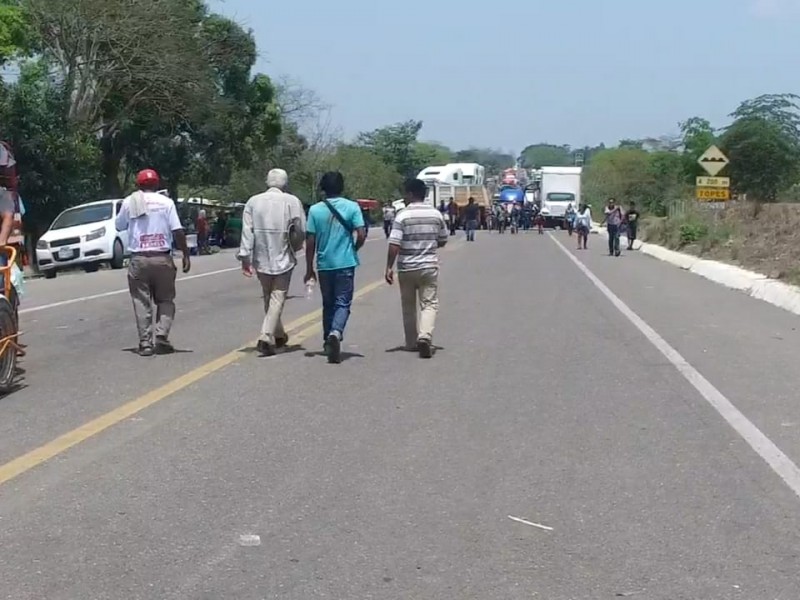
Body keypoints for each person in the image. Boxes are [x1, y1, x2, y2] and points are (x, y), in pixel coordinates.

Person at [116, 168, 190, 356]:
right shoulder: (166, 202)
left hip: (139, 259)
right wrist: (186, 254)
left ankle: (145, 343)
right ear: (157, 184)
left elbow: (119, 225)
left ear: (138, 185)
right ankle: (162, 336)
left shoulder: (129, 202)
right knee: (165, 300)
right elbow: (177, 230)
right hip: (162, 258)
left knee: (141, 302)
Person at [238, 168, 306, 357]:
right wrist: (297, 247)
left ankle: (279, 335)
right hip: (284, 254)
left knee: (269, 296)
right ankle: (266, 335)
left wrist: (245, 256)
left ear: (267, 181)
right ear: (285, 182)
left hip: (261, 255)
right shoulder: (292, 201)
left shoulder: (253, 201)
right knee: (278, 296)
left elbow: (247, 231)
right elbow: (301, 229)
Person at [304, 172, 366, 364]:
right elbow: (361, 233)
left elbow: (310, 241)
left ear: (323, 188)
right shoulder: (352, 207)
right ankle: (336, 332)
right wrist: (353, 248)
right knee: (343, 302)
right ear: (342, 187)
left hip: (324, 265)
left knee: (328, 303)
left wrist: (309, 268)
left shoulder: (315, 210)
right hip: (345, 263)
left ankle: (327, 339)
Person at [385, 178, 448, 358]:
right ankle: (425, 335)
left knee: (408, 305)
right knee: (429, 303)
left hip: (406, 267)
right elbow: (443, 239)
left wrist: (388, 267)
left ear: (411, 194)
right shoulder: (436, 214)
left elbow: (394, 243)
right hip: (428, 266)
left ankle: (411, 342)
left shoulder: (402, 215)